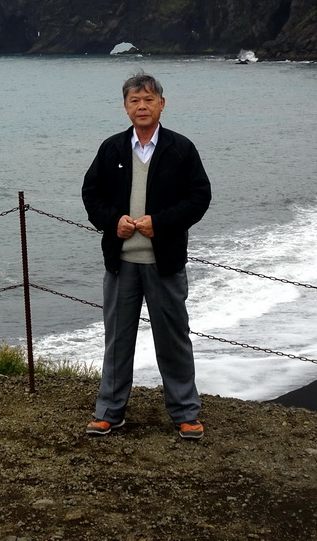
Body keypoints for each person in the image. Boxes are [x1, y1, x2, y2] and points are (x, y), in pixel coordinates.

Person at [81, 71, 212, 439]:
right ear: (125, 107)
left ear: (161, 104)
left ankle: (186, 413)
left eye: (148, 99)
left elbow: (199, 197)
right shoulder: (111, 149)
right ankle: (109, 412)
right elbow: (92, 195)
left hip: (164, 263)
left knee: (173, 340)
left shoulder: (180, 148)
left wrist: (162, 223)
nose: (142, 106)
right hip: (121, 265)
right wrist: (112, 222)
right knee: (118, 340)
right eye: (134, 100)